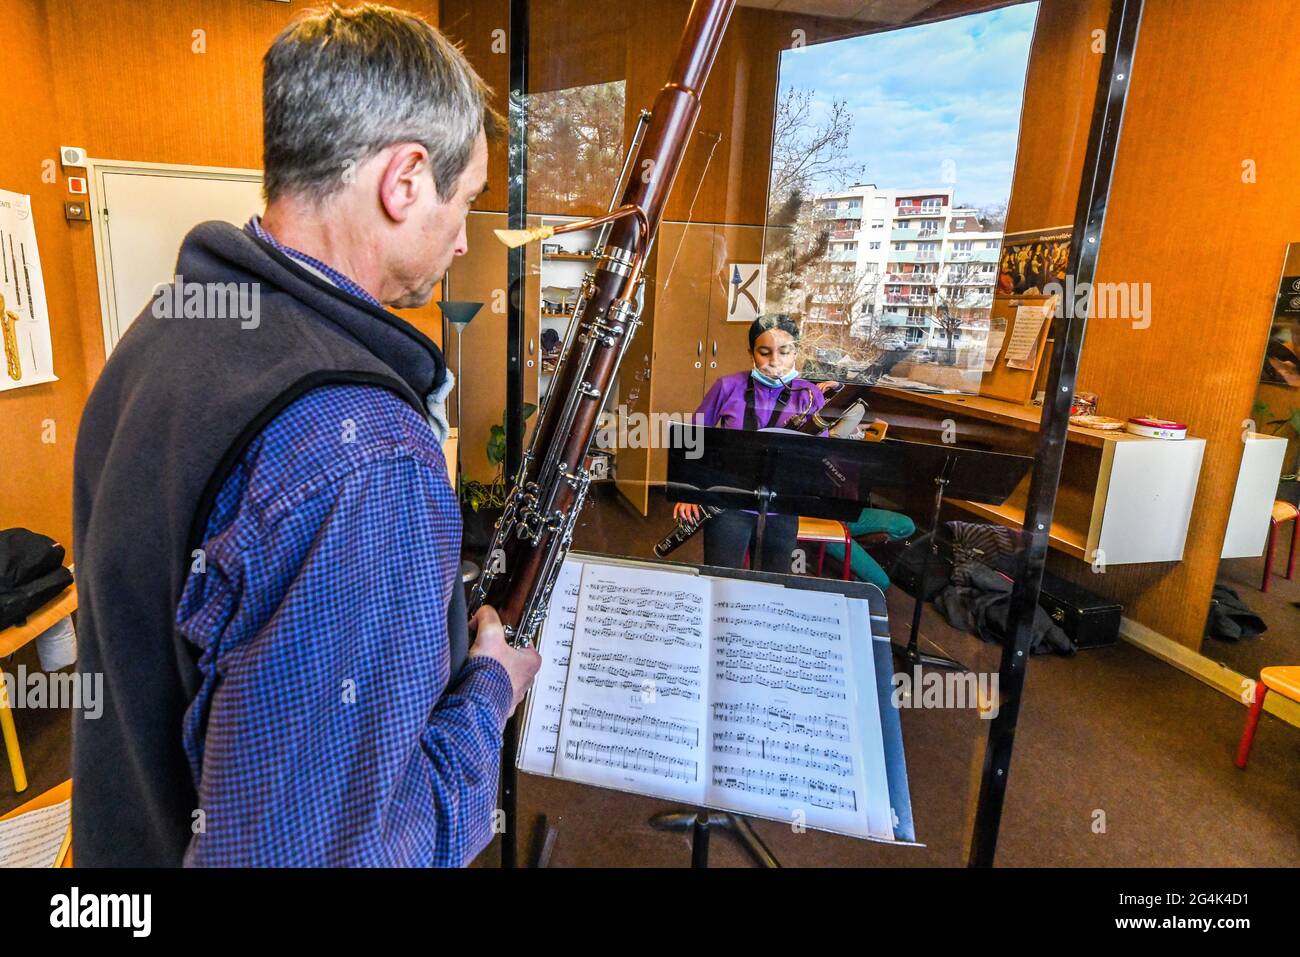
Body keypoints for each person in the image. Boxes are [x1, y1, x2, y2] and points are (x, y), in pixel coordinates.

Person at [72, 5, 540, 867]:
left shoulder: (162, 332)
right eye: (465, 198)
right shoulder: (362, 456)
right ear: (404, 181)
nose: (465, 234)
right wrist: (487, 697)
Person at [674, 315, 824, 571]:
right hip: (728, 503)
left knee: (773, 584)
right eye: (764, 352)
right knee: (720, 576)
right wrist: (689, 491)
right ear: (751, 353)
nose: (775, 361)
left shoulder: (810, 394)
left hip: (781, 507)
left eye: (784, 352)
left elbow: (820, 455)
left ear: (795, 352)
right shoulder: (727, 386)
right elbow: (693, 435)